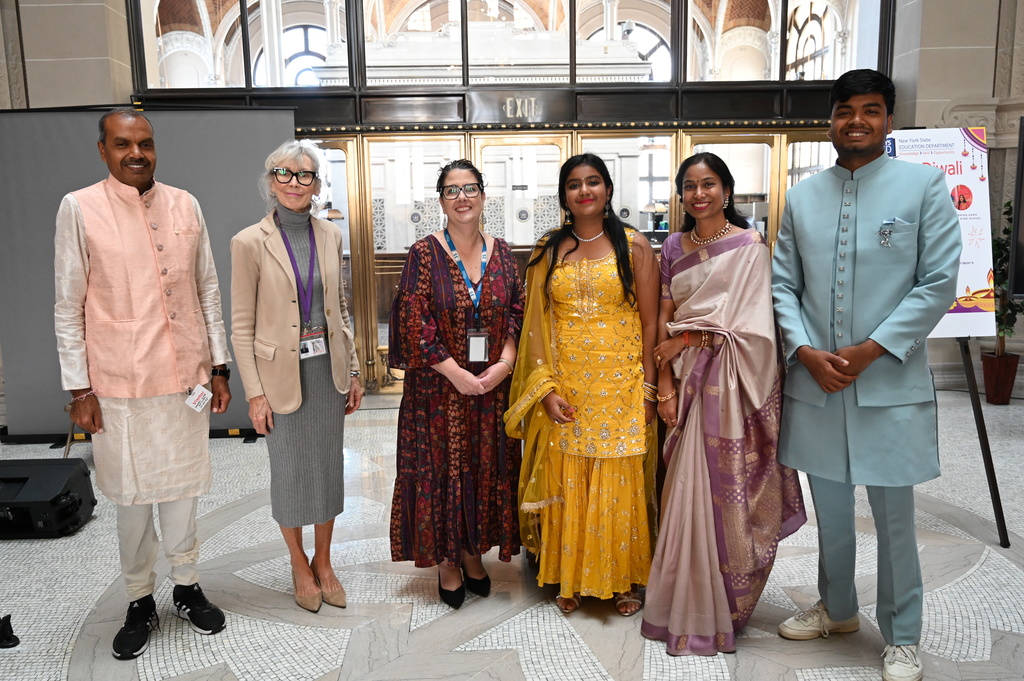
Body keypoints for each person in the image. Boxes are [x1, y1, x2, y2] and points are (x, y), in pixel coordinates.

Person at [772, 69, 962, 681]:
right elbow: (783, 286)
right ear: (830, 120)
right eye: (846, 110)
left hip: (889, 386)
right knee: (831, 512)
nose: (857, 120)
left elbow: (938, 282)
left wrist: (873, 349)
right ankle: (838, 610)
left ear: (888, 119)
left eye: (871, 110)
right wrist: (804, 351)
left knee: (894, 520)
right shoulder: (802, 197)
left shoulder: (923, 187)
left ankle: (902, 636)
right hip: (818, 384)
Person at [54, 108, 231, 660]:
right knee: (130, 500)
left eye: (146, 143)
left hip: (185, 380)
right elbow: (67, 304)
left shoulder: (185, 204)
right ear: (102, 150)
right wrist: (79, 390)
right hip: (118, 385)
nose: (137, 153)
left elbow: (207, 289)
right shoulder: (80, 207)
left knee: (182, 492)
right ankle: (138, 598)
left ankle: (187, 585)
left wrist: (219, 366)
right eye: (123, 144)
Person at [641, 153, 806, 655]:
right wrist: (665, 386)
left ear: (727, 191)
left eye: (708, 184)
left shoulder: (750, 247)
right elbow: (663, 317)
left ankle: (721, 605)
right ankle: (680, 601)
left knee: (717, 490)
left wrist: (691, 338)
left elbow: (756, 333)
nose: (699, 194)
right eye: (690, 186)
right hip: (684, 383)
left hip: (729, 387)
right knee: (682, 492)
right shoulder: (673, 246)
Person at [505, 152, 659, 617]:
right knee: (570, 477)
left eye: (593, 181)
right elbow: (535, 326)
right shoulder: (548, 250)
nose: (584, 190)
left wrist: (650, 390)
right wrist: (546, 389)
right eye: (574, 184)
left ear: (608, 189)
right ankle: (569, 576)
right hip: (568, 386)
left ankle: (624, 580)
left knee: (620, 479)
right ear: (564, 196)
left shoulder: (634, 246)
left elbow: (650, 323)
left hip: (622, 385)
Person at [230, 140, 363, 613]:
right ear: (271, 182)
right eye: (284, 173)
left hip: (326, 370)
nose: (294, 182)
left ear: (316, 184)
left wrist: (353, 368)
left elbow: (339, 305)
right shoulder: (249, 242)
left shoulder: (330, 234)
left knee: (326, 468)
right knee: (289, 471)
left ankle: (324, 561)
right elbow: (241, 325)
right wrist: (254, 394)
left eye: (305, 175)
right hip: (278, 375)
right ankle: (298, 562)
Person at [389, 159, 524, 609]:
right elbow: (414, 321)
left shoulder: (503, 253)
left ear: (484, 195)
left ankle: (472, 552)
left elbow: (518, 313)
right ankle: (447, 560)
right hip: (437, 391)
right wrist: (455, 372)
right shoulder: (424, 254)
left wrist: (504, 365)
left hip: (490, 389)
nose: (462, 197)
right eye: (452, 190)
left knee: (482, 468)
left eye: (470, 189)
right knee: (443, 469)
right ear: (441, 200)